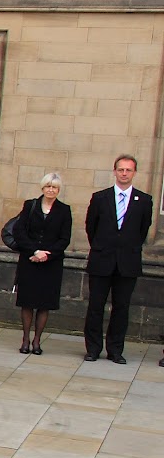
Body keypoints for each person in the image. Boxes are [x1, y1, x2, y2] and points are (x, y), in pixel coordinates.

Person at [84, 155, 152, 363]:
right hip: (102, 259)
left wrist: (127, 247)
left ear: (134, 173)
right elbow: (91, 227)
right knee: (96, 306)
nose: (124, 173)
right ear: (114, 171)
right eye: (121, 170)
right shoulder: (100, 198)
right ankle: (93, 348)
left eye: (128, 170)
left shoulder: (144, 200)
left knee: (121, 308)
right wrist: (102, 246)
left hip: (127, 263)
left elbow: (143, 230)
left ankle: (115, 350)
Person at [13, 173, 72, 355]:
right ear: (42, 188)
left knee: (44, 304)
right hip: (29, 261)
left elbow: (65, 238)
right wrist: (34, 251)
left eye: (54, 187)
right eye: (48, 186)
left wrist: (47, 255)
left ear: (58, 190)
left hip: (51, 264)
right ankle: (25, 339)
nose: (51, 190)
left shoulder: (64, 210)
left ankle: (37, 340)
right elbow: (19, 231)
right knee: (28, 302)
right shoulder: (30, 205)